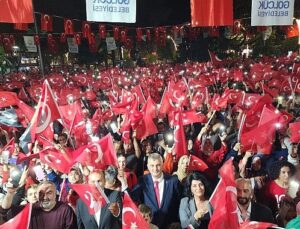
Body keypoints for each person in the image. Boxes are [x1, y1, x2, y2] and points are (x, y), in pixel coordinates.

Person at [131, 153, 182, 228]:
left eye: (158, 165)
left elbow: (180, 202)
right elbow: (132, 197)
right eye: (152, 166)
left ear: (162, 165)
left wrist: (178, 221)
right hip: (150, 225)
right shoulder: (143, 180)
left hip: (170, 225)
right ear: (148, 166)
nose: (155, 169)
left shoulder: (173, 180)